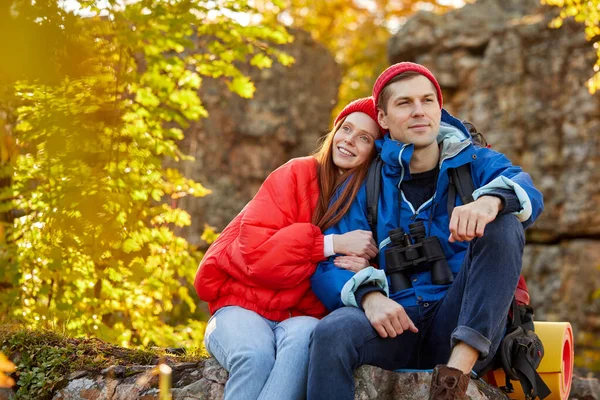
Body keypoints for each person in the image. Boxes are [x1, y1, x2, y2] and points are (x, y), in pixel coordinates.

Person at [307, 63, 544, 400]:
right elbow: (328, 265)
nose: (419, 112)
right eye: (404, 103)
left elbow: (526, 189)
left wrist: (489, 201)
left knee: (504, 220)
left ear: (438, 107)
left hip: (462, 324)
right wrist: (370, 297)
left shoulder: (475, 162)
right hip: (395, 322)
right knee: (332, 332)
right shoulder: (366, 181)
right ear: (384, 119)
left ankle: (452, 383)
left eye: (427, 100)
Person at [194, 97, 383, 400]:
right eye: (346, 129)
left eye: (364, 138)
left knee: (304, 346)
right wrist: (330, 244)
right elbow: (257, 255)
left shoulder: (368, 200)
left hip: (302, 316)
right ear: (334, 131)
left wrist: (367, 272)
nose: (349, 141)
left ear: (376, 151)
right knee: (255, 358)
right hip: (241, 306)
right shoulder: (296, 174)